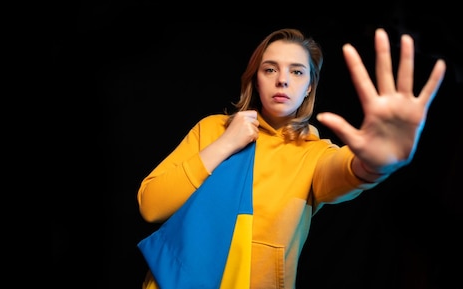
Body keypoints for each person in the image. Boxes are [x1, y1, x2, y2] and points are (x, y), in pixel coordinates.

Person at [136, 27, 446, 289]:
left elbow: (344, 170)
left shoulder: (314, 153)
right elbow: (152, 206)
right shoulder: (213, 129)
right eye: (270, 69)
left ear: (309, 85)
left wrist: (376, 163)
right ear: (256, 79)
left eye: (296, 72)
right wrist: (226, 143)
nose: (282, 80)